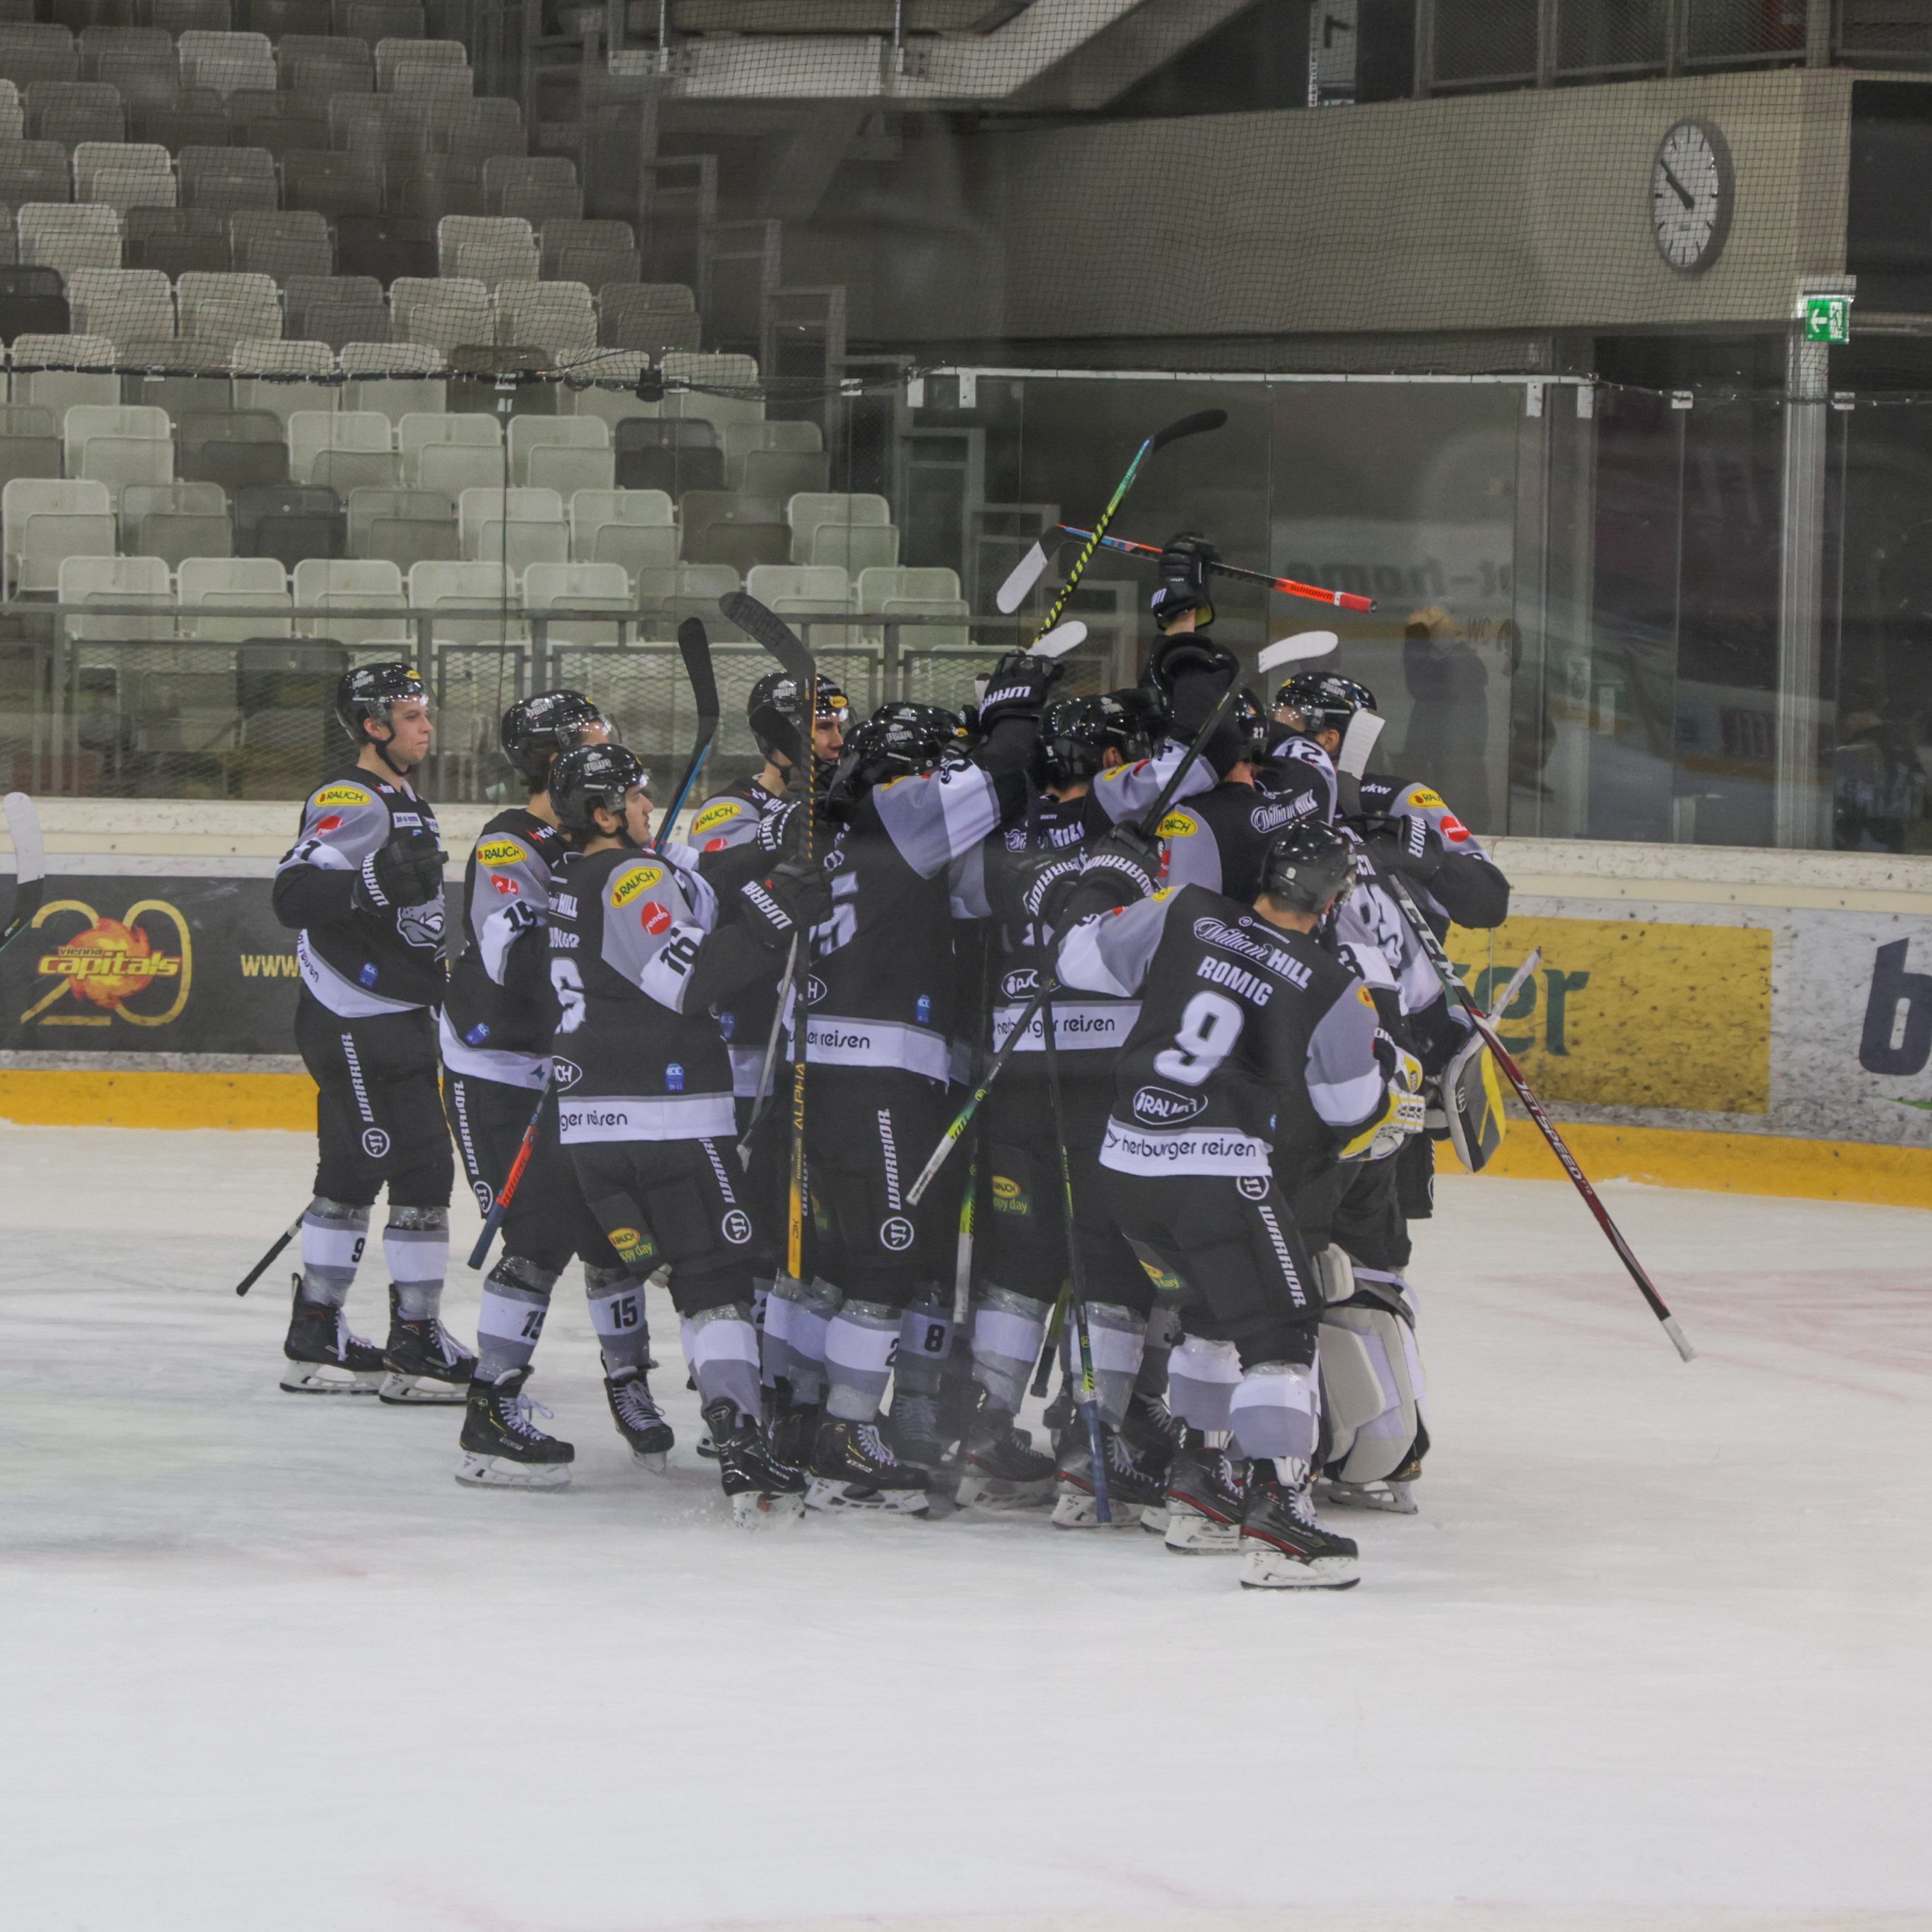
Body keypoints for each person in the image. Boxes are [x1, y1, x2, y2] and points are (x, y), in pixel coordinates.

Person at [1053, 817, 1424, 1588]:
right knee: (1280, 1332)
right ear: (1330, 900)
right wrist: (1386, 1064)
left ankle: (1200, 1490)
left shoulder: (1182, 907)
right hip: (1217, 1172)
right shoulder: (1331, 989)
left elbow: (1076, 958)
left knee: (1209, 1318)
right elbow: (1349, 1109)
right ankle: (1279, 1516)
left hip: (1124, 1163)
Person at [770, 658, 1057, 1513]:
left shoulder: (828, 824)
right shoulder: (902, 814)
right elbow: (1003, 783)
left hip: (819, 1071)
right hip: (880, 1076)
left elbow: (967, 898)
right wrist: (1010, 713)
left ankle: (798, 1416)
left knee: (836, 1259)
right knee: (887, 1256)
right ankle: (844, 1436)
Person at [541, 743, 831, 1524]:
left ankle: (650, 1394)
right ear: (604, 814)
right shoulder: (630, 875)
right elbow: (693, 977)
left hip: (594, 1134)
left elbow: (702, 879)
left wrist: (771, 862)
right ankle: (741, 1447)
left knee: (680, 1272)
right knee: (715, 1284)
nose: (647, 808)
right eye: (634, 798)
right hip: (664, 1119)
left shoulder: (576, 878)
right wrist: (777, 916)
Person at [445, 690, 680, 1489]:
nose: (606, 741)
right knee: (540, 1234)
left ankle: (629, 1382)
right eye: (589, 737)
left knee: (614, 1229)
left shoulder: (593, 843)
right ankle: (492, 1404)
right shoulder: (510, 845)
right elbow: (513, 957)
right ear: (555, 759)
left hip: (571, 1070)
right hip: (501, 1070)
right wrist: (590, 899)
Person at [270, 664, 468, 1402]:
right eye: (412, 715)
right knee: (418, 1168)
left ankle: (319, 1332)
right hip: (355, 1016)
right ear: (372, 725)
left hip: (392, 1013)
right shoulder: (350, 796)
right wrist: (371, 885)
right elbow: (291, 894)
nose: (426, 726)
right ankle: (410, 1341)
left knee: (365, 1172)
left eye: (425, 713)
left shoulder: (400, 794)